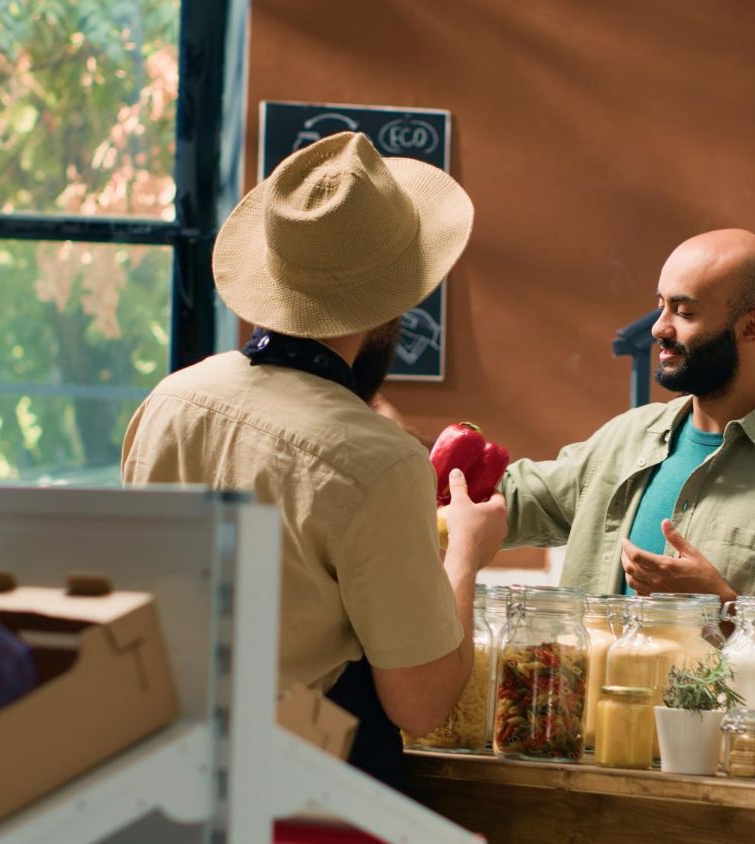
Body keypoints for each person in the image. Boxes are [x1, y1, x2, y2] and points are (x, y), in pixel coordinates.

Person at [120, 132, 508, 786]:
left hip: (164, 769)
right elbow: (421, 704)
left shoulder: (170, 401)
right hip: (300, 791)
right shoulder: (377, 461)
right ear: (396, 305)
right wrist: (466, 549)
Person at [500, 229, 755, 621]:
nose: (659, 328)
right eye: (661, 306)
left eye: (685, 312)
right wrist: (442, 469)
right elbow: (508, 500)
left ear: (751, 328)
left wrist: (723, 610)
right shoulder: (626, 437)